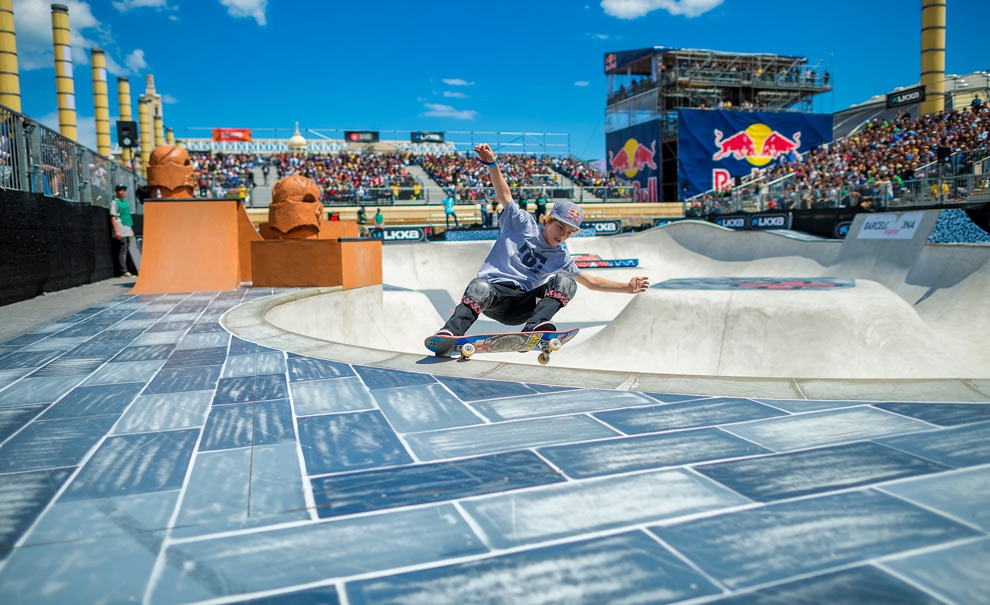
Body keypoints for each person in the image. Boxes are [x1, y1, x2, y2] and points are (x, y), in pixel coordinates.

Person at [427, 143, 649, 352]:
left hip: (524, 304)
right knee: (479, 286)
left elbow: (590, 282)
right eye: (559, 227)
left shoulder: (560, 257)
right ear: (548, 220)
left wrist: (627, 288)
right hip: (494, 295)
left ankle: (536, 325)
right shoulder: (521, 223)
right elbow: (505, 196)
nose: (562, 235)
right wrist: (492, 165)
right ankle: (449, 333)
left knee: (566, 282)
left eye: (569, 233)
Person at [110, 184, 140, 277]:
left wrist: (130, 229)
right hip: (120, 229)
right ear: (116, 192)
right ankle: (123, 271)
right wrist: (116, 230)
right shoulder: (114, 202)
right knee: (122, 250)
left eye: (123, 190)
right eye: (119, 190)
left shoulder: (126, 203)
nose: (122, 192)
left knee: (127, 249)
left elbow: (127, 216)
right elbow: (113, 217)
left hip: (127, 228)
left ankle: (129, 269)